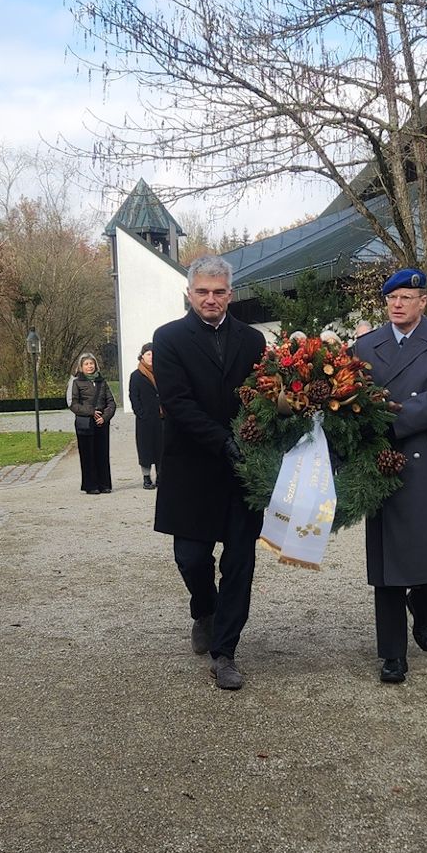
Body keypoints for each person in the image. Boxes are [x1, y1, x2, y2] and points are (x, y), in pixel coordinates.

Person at [151, 255, 268, 691]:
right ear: (189, 293)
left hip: (243, 472)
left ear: (230, 294)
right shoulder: (168, 338)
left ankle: (226, 653)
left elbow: (261, 397)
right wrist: (222, 440)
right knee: (191, 558)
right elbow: (178, 403)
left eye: (219, 292)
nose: (211, 299)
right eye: (203, 291)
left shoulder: (253, 341)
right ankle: (204, 608)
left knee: (240, 561)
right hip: (191, 465)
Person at [352, 268, 427, 684]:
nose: (398, 304)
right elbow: (351, 397)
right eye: (392, 298)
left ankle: (423, 605)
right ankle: (392, 655)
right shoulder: (366, 345)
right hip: (382, 461)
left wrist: (387, 420)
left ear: (422, 302)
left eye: (406, 297)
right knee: (387, 562)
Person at [68, 353, 117, 495]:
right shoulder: (76, 382)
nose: (89, 366)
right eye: (86, 364)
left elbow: (111, 402)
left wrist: (105, 417)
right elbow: (73, 404)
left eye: (91, 364)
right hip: (85, 422)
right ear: (81, 367)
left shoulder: (102, 382)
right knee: (88, 454)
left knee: (102, 453)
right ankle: (91, 485)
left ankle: (105, 484)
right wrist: (91, 412)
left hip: (101, 422)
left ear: (95, 365)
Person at [128, 342, 162, 490]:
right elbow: (134, 396)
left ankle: (161, 476)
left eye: (154, 354)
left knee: (162, 448)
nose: (151, 357)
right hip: (145, 419)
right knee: (145, 449)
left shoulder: (162, 372)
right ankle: (146, 478)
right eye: (148, 354)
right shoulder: (136, 375)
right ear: (142, 356)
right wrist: (140, 413)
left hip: (161, 418)